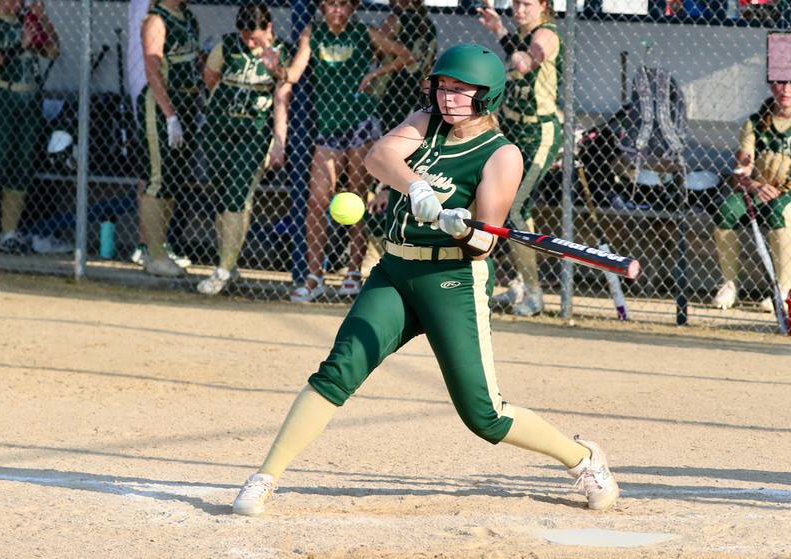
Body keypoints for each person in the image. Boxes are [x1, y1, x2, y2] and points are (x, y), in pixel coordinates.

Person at [229, 44, 619, 517]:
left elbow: (484, 245)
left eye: (461, 90)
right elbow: (378, 157)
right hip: (395, 272)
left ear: (488, 97)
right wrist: (416, 185)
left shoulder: (502, 155)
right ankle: (265, 476)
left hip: (452, 278)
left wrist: (463, 226)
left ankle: (582, 459)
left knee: (484, 416)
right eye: (443, 87)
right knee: (337, 372)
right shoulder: (425, 122)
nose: (447, 97)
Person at [285, 0, 413, 302]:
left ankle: (353, 273)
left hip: (360, 124)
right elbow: (293, 74)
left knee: (356, 199)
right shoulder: (312, 34)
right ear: (322, 7)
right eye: (331, 4)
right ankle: (314, 276)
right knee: (317, 200)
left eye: (344, 5)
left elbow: (405, 56)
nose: (337, 11)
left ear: (352, 8)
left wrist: (374, 75)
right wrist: (275, 67)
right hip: (328, 128)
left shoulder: (363, 32)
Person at [195, 2, 292, 295]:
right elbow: (210, 79)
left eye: (255, 37)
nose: (249, 42)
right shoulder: (227, 46)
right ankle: (230, 262)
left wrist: (279, 141)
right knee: (223, 195)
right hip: (219, 130)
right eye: (245, 36)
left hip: (254, 134)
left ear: (269, 28)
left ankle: (223, 268)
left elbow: (283, 95)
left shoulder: (282, 52)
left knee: (238, 195)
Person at [477, 0, 562, 317]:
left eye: (526, 3)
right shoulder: (517, 37)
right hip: (511, 126)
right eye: (515, 3)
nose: (518, 9)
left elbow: (526, 62)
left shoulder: (547, 34)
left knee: (515, 208)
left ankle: (535, 294)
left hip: (539, 133)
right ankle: (519, 283)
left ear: (543, 6)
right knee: (496, 205)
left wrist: (499, 30)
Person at [0, 0, 67, 255]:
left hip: (30, 99)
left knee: (20, 166)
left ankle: (9, 232)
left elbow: (53, 50)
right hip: (3, 98)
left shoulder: (28, 21)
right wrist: (20, 44)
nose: (17, 3)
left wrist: (42, 19)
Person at [712, 82, 791, 312]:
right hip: (760, 190)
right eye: (779, 83)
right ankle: (729, 284)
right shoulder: (756, 123)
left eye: (790, 83)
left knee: (779, 212)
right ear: (771, 86)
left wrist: (780, 189)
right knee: (727, 209)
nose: (785, 90)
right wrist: (755, 185)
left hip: (786, 194)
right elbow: (741, 171)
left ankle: (783, 289)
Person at [137, 0, 200, 277]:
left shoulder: (187, 17)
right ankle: (154, 254)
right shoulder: (156, 20)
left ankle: (162, 247)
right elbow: (153, 70)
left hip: (185, 100)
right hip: (162, 104)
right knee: (158, 178)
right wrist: (170, 116)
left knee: (174, 180)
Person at [373, 0, 437, 133]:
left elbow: (373, 52)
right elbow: (429, 66)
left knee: (387, 136)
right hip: (414, 90)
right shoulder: (428, 24)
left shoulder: (394, 20)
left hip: (389, 89)